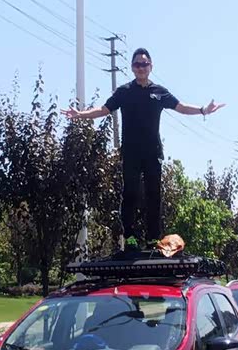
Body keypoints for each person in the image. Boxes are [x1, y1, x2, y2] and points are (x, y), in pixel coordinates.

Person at [62, 47, 224, 248]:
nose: (141, 67)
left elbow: (181, 107)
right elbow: (104, 110)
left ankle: (153, 239)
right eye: (137, 64)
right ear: (132, 67)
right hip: (131, 153)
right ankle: (130, 238)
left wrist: (203, 110)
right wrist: (80, 115)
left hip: (152, 152)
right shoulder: (124, 92)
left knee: (153, 195)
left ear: (150, 66)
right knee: (130, 194)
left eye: (144, 64)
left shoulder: (159, 92)